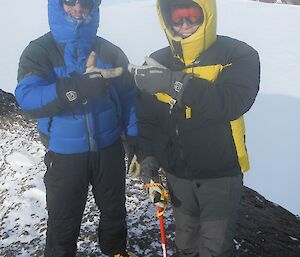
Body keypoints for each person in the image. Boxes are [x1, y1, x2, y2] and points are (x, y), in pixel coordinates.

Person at [128, 0, 260, 256]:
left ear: (207, 15)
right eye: (177, 17)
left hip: (221, 174)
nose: (185, 24)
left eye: (191, 15)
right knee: (186, 244)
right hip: (178, 175)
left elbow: (230, 103)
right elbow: (147, 119)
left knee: (214, 248)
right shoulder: (157, 61)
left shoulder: (237, 55)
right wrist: (147, 158)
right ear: (166, 19)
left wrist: (173, 84)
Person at [15, 0, 137, 256]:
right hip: (65, 155)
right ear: (56, 5)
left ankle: (116, 251)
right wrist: (75, 88)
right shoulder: (40, 51)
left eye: (87, 2)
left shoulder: (109, 50)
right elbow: (27, 99)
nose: (78, 8)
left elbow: (129, 98)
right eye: (69, 1)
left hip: (109, 148)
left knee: (114, 210)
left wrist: (135, 140)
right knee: (63, 220)